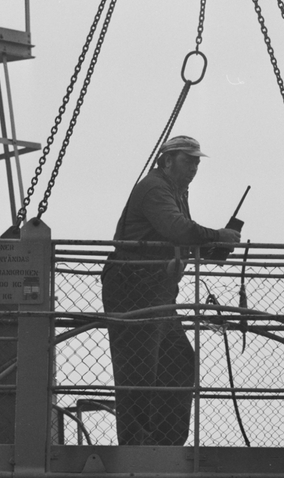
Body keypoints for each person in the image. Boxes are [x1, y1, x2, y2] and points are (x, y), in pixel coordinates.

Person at [101, 135, 240, 446]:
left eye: (196, 162)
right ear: (167, 160)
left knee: (177, 362)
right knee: (139, 367)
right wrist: (217, 236)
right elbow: (177, 228)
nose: (194, 167)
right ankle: (138, 445)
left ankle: (166, 441)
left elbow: (177, 236)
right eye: (188, 160)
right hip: (133, 285)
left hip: (156, 288)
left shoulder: (174, 191)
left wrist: (210, 246)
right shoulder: (155, 188)